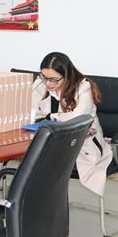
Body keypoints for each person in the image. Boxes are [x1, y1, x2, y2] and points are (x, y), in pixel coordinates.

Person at [32, 52, 112, 196]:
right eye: (44, 77)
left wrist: (51, 116)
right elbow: (29, 111)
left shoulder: (83, 87)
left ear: (67, 75)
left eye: (54, 80)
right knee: (33, 165)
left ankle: (49, 202)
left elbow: (79, 117)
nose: (48, 83)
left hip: (81, 144)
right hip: (52, 142)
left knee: (42, 165)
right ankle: (38, 202)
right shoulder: (40, 84)